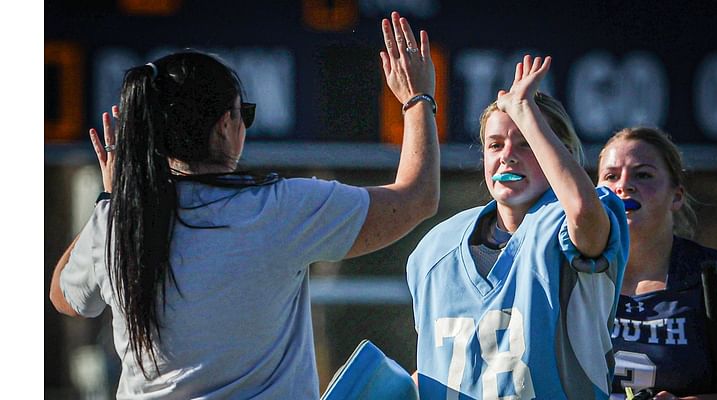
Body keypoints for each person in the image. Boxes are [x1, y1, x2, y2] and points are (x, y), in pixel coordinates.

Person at [49, 11, 439, 399]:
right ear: (224, 126)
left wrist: (114, 198)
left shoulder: (116, 224)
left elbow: (64, 297)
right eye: (243, 114)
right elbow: (416, 198)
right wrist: (417, 99)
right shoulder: (279, 209)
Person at [406, 55, 629, 399]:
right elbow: (442, 368)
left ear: (561, 152)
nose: (507, 155)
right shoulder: (435, 248)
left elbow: (582, 212)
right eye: (495, 144)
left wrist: (525, 109)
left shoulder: (567, 223)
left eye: (525, 142)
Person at [596, 127, 717, 400]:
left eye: (643, 174)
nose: (624, 185)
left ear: (677, 196)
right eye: (611, 176)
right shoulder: (573, 273)